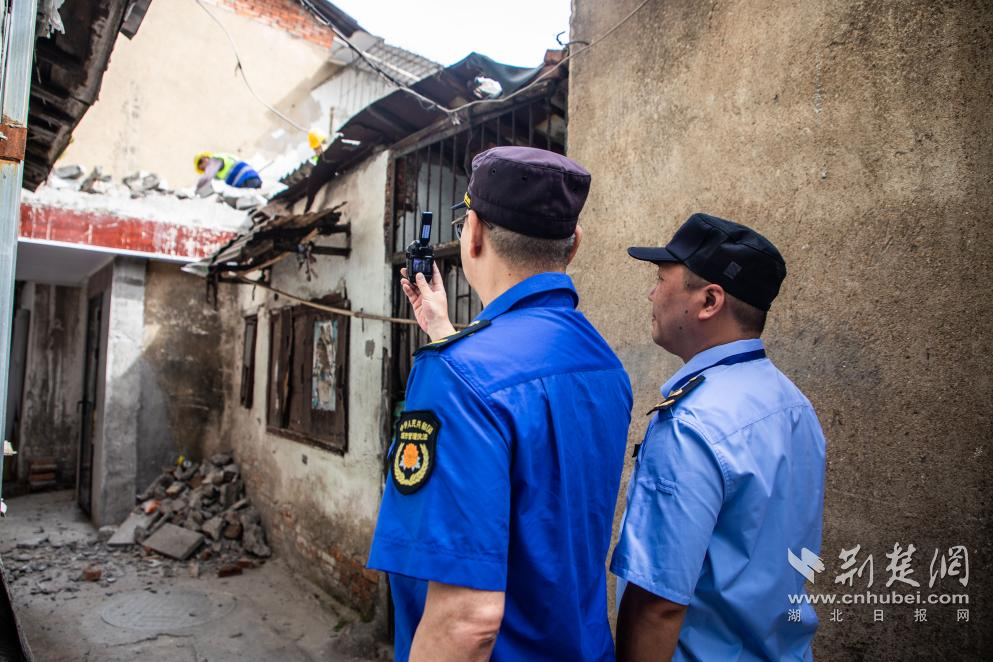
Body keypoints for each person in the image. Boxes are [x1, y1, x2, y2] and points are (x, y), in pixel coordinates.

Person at [367, 146, 633, 661]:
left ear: (473, 234)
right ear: (574, 244)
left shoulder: (457, 375)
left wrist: (453, 356)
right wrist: (444, 332)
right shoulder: (604, 364)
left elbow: (467, 621)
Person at [611, 212, 827, 662]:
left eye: (661, 279)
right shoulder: (793, 405)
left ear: (709, 300)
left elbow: (658, 605)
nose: (652, 293)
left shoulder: (692, 424)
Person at [193, 151, 262, 194]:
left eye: (203, 159)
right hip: (246, 181)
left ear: (207, 157)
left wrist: (195, 191)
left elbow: (206, 177)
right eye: (200, 162)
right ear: (201, 168)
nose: (204, 161)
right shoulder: (217, 174)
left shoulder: (214, 160)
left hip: (247, 178)